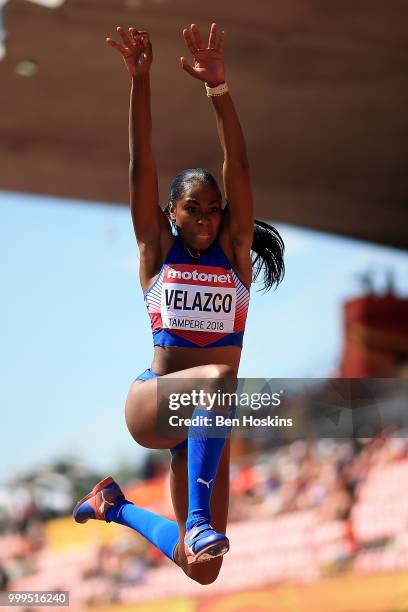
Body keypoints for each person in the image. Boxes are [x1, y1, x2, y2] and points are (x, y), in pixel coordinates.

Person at [72, 22, 284, 585]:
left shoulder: (235, 254)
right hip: (155, 405)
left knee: (204, 568)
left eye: (214, 209)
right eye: (194, 208)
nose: (207, 218)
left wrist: (220, 90)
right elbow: (142, 165)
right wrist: (140, 81)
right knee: (217, 375)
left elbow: (238, 168)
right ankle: (195, 518)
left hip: (208, 424)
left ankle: (114, 506)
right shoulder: (155, 250)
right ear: (172, 212)